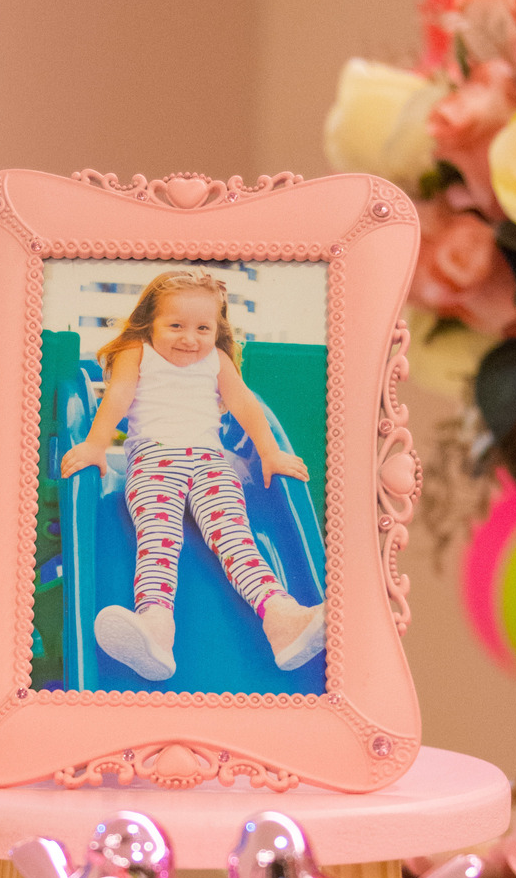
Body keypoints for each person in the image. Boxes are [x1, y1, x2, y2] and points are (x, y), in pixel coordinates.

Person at [59, 269, 326, 682]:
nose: (190, 338)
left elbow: (244, 404)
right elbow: (119, 396)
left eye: (203, 328)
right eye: (176, 326)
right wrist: (95, 445)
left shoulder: (216, 360)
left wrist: (270, 453)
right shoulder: (137, 351)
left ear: (217, 330)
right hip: (154, 460)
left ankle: (282, 617)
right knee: (158, 536)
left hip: (209, 462)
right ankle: (155, 627)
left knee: (235, 536)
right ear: (150, 323)